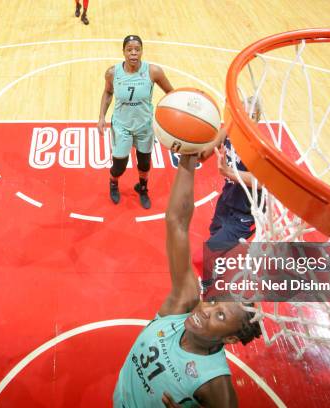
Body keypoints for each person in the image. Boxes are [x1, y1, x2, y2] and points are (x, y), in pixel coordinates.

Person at [113, 154, 262, 407]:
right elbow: (177, 223)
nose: (205, 310)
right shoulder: (182, 306)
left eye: (221, 316)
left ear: (230, 340)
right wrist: (188, 157)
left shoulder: (216, 387)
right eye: (214, 304)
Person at [98, 35, 174, 209]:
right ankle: (113, 182)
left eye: (137, 49)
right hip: (122, 125)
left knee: (145, 162)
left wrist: (173, 116)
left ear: (141, 51)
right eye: (129, 49)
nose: (133, 53)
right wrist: (101, 116)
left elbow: (170, 92)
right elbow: (108, 93)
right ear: (123, 52)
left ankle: (142, 187)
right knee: (119, 165)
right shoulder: (112, 73)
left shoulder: (153, 71)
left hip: (144, 125)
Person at [196, 98, 263, 287]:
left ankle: (208, 287)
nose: (244, 118)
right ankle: (217, 265)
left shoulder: (260, 146)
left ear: (257, 118)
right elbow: (209, 149)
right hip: (227, 200)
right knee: (214, 234)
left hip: (246, 214)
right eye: (241, 112)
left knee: (207, 253)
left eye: (250, 115)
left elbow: (262, 182)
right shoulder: (230, 129)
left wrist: (228, 172)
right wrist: (190, 149)